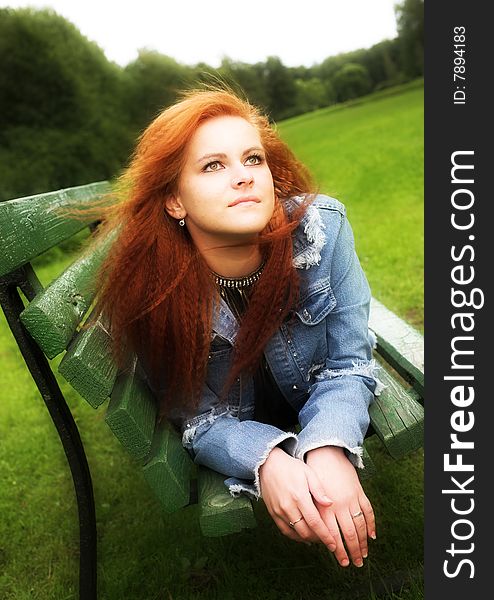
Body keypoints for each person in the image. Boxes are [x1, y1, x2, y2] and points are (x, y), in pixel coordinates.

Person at [93, 87, 380, 569]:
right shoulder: (156, 295)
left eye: (253, 158)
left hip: (313, 394)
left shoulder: (322, 230)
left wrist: (328, 446)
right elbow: (198, 417)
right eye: (213, 166)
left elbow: (350, 361)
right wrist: (268, 461)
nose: (244, 176)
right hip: (239, 419)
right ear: (175, 202)